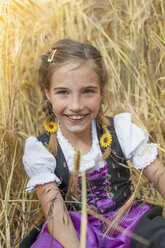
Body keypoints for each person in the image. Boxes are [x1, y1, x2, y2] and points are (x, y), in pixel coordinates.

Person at [21, 38, 165, 248]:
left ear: (101, 90)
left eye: (88, 91)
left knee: (159, 236)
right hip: (75, 230)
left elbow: (160, 176)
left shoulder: (120, 131)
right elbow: (57, 218)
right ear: (47, 93)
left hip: (128, 223)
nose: (76, 105)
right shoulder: (43, 149)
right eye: (63, 92)